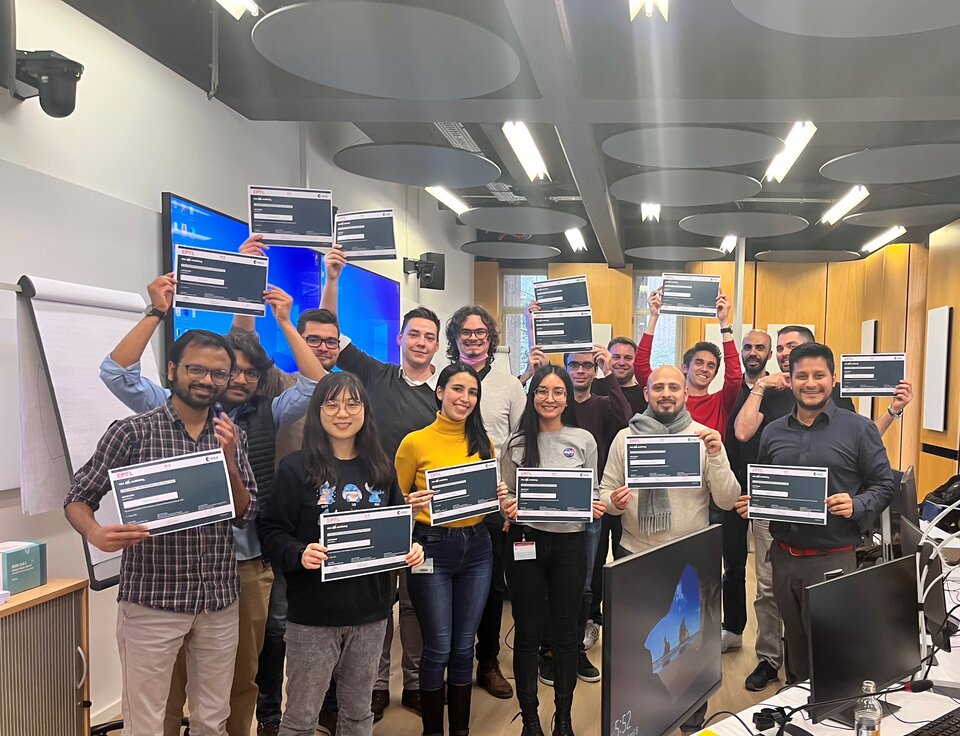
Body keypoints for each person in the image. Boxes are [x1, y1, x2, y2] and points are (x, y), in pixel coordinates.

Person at [97, 274, 324, 736]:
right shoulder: (173, 404)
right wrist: (155, 311)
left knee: (236, 682)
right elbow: (117, 374)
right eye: (224, 370)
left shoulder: (271, 412)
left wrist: (284, 321)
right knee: (165, 688)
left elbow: (317, 383)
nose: (234, 379)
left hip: (242, 566)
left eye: (246, 373)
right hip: (170, 570)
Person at [66, 329, 258, 736]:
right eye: (196, 370)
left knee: (212, 719)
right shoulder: (132, 432)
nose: (207, 381)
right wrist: (97, 534)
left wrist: (230, 463)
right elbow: (78, 497)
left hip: (218, 600)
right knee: (146, 721)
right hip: (153, 601)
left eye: (219, 374)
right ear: (172, 370)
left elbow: (244, 514)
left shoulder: (229, 435)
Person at [731, 325, 913, 691]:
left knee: (832, 650)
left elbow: (883, 485)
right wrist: (756, 502)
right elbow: (770, 483)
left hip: (834, 557)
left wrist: (857, 503)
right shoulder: (774, 431)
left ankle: (829, 711)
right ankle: (797, 702)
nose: (810, 383)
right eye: (802, 376)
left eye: (818, 375)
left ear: (833, 379)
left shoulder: (859, 429)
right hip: (782, 558)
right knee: (796, 649)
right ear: (790, 380)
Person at [259, 373, 425, 736]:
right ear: (318, 411)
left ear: (365, 410)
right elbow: (271, 531)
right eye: (331, 404)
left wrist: (411, 548)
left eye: (352, 403)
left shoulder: (380, 469)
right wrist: (298, 553)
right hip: (313, 616)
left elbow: (398, 527)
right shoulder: (295, 468)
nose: (342, 412)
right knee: (302, 717)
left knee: (357, 714)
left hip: (370, 613)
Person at [231, 235, 346, 736]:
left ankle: (323, 708)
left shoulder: (347, 392)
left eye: (328, 342)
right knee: (276, 628)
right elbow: (240, 353)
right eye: (310, 340)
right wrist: (243, 280)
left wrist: (333, 282)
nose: (320, 348)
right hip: (281, 525)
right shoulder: (277, 385)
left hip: (333, 517)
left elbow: (323, 345)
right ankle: (271, 716)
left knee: (328, 623)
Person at [320, 243, 441, 719]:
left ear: (436, 345)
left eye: (429, 337)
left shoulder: (445, 391)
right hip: (371, 507)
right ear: (401, 339)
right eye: (413, 334)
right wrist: (333, 278)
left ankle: (412, 683)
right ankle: (374, 685)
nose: (420, 342)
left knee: (414, 604)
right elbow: (329, 337)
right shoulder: (375, 374)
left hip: (423, 512)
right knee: (376, 602)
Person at [600, 364, 739, 734]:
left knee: (690, 650)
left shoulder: (704, 437)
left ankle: (691, 722)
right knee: (640, 647)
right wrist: (614, 501)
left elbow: (727, 500)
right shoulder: (624, 439)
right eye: (658, 387)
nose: (666, 393)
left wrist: (718, 454)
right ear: (646, 393)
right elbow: (604, 495)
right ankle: (643, 719)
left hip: (688, 560)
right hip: (636, 556)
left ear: (685, 393)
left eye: (673, 387)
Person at [395, 362, 503, 736]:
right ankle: (433, 732)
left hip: (477, 549)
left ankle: (460, 731)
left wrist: (499, 496)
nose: (465, 398)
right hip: (431, 548)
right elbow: (394, 504)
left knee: (463, 647)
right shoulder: (415, 442)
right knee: (438, 647)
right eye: (457, 389)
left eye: (472, 392)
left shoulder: (483, 442)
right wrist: (409, 503)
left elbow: (486, 499)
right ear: (439, 393)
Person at [498, 365, 605, 736]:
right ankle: (530, 719)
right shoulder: (515, 443)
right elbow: (506, 497)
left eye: (558, 392)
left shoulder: (584, 440)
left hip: (570, 544)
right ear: (532, 396)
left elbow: (592, 492)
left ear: (566, 398)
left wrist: (596, 504)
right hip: (525, 543)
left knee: (564, 634)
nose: (550, 399)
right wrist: (507, 506)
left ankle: (564, 717)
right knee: (527, 632)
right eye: (542, 391)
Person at [444, 305, 526, 700]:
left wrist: (512, 500)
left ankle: (487, 660)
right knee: (446, 587)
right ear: (455, 337)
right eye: (465, 331)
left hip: (492, 505)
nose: (473, 338)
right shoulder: (439, 382)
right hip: (445, 505)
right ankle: (446, 661)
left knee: (493, 588)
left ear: (491, 339)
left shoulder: (510, 385)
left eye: (480, 332)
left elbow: (521, 447)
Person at [634, 287, 742, 437]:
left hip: (709, 460)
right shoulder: (668, 398)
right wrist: (653, 317)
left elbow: (735, 377)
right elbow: (640, 367)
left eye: (711, 366)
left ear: (715, 373)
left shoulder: (720, 403)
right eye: (699, 362)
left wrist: (724, 322)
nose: (705, 368)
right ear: (684, 367)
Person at [590, 337, 647, 416]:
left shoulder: (644, 395)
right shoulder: (592, 387)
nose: (622, 363)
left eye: (628, 358)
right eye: (616, 357)